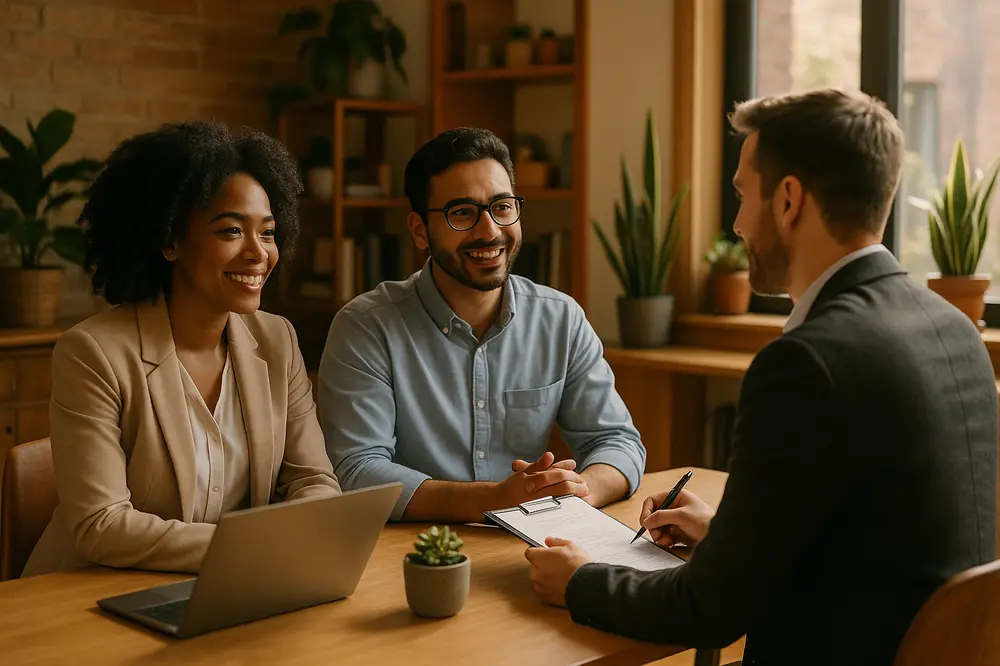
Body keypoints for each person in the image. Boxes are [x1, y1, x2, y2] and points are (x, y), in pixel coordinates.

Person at [524, 88, 999, 666]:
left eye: (745, 194)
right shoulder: (953, 328)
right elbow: (880, 533)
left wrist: (579, 581)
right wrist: (731, 535)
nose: (738, 223)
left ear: (789, 200)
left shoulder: (807, 362)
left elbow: (712, 609)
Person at [22, 121, 341, 578]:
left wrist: (288, 541)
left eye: (268, 233)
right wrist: (253, 548)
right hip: (88, 597)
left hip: (222, 588)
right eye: (231, 231)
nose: (258, 253)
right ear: (170, 240)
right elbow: (103, 525)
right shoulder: (93, 353)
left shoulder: (277, 341)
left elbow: (313, 480)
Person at [317, 127, 646, 522]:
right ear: (420, 230)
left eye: (502, 207)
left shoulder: (560, 319)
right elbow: (357, 469)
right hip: (413, 555)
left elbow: (617, 441)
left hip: (531, 542)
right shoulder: (366, 327)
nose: (489, 231)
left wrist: (578, 493)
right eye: (462, 213)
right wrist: (492, 500)